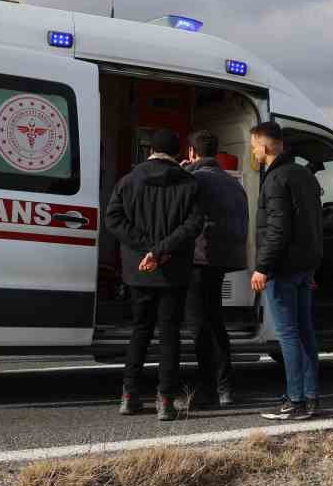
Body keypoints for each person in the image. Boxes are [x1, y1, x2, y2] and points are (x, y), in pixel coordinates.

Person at [104, 128, 205, 421]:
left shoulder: (128, 181)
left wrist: (147, 250)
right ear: (176, 153)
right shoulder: (190, 183)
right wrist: (161, 250)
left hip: (139, 270)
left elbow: (113, 219)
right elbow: (194, 224)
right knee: (170, 334)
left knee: (140, 331)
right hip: (173, 270)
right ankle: (165, 401)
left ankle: (129, 396)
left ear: (149, 149)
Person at [248, 120, 324, 421]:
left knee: (288, 335)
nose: (253, 152)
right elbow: (314, 226)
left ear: (265, 147)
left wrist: (262, 267)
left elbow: (278, 229)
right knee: (305, 333)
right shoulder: (303, 175)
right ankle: (310, 396)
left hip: (282, 269)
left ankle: (294, 401)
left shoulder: (276, 179)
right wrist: (312, 267)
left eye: (254, 146)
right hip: (304, 268)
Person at [183, 130, 248, 407]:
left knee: (199, 325)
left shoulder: (193, 179)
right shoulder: (234, 183)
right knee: (215, 322)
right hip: (225, 259)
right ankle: (226, 387)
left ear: (191, 153)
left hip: (199, 258)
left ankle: (208, 389)